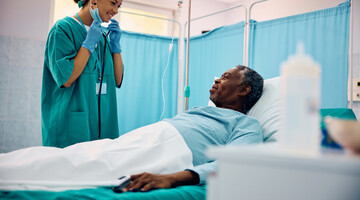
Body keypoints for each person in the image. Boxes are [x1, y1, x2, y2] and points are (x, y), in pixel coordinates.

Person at [0, 65, 264, 192]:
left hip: (171, 152)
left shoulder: (247, 125)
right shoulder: (200, 110)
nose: (217, 79)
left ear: (244, 89)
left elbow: (233, 165)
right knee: (81, 154)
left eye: (226, 77)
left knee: (86, 165)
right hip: (150, 137)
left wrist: (172, 177)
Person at [41, 0, 125, 148]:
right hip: (71, 123)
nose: (116, 11)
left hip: (101, 123)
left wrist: (116, 48)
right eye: (112, 3)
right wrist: (87, 45)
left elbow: (117, 80)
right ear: (93, 0)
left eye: (119, 5)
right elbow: (66, 78)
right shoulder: (63, 29)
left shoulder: (101, 36)